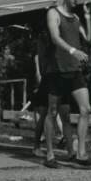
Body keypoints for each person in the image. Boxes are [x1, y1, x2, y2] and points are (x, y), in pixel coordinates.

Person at [46, 0, 91, 168]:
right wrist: (74, 51)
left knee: (85, 109)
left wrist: (88, 16)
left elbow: (88, 39)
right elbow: (55, 38)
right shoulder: (53, 13)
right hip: (57, 71)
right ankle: (50, 155)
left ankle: (81, 153)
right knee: (52, 112)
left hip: (75, 71)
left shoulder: (76, 17)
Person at [30, 17, 66, 157]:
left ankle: (40, 145)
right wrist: (40, 80)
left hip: (51, 77)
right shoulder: (44, 40)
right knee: (46, 113)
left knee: (48, 113)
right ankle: (39, 146)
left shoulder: (47, 38)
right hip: (47, 78)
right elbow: (39, 63)